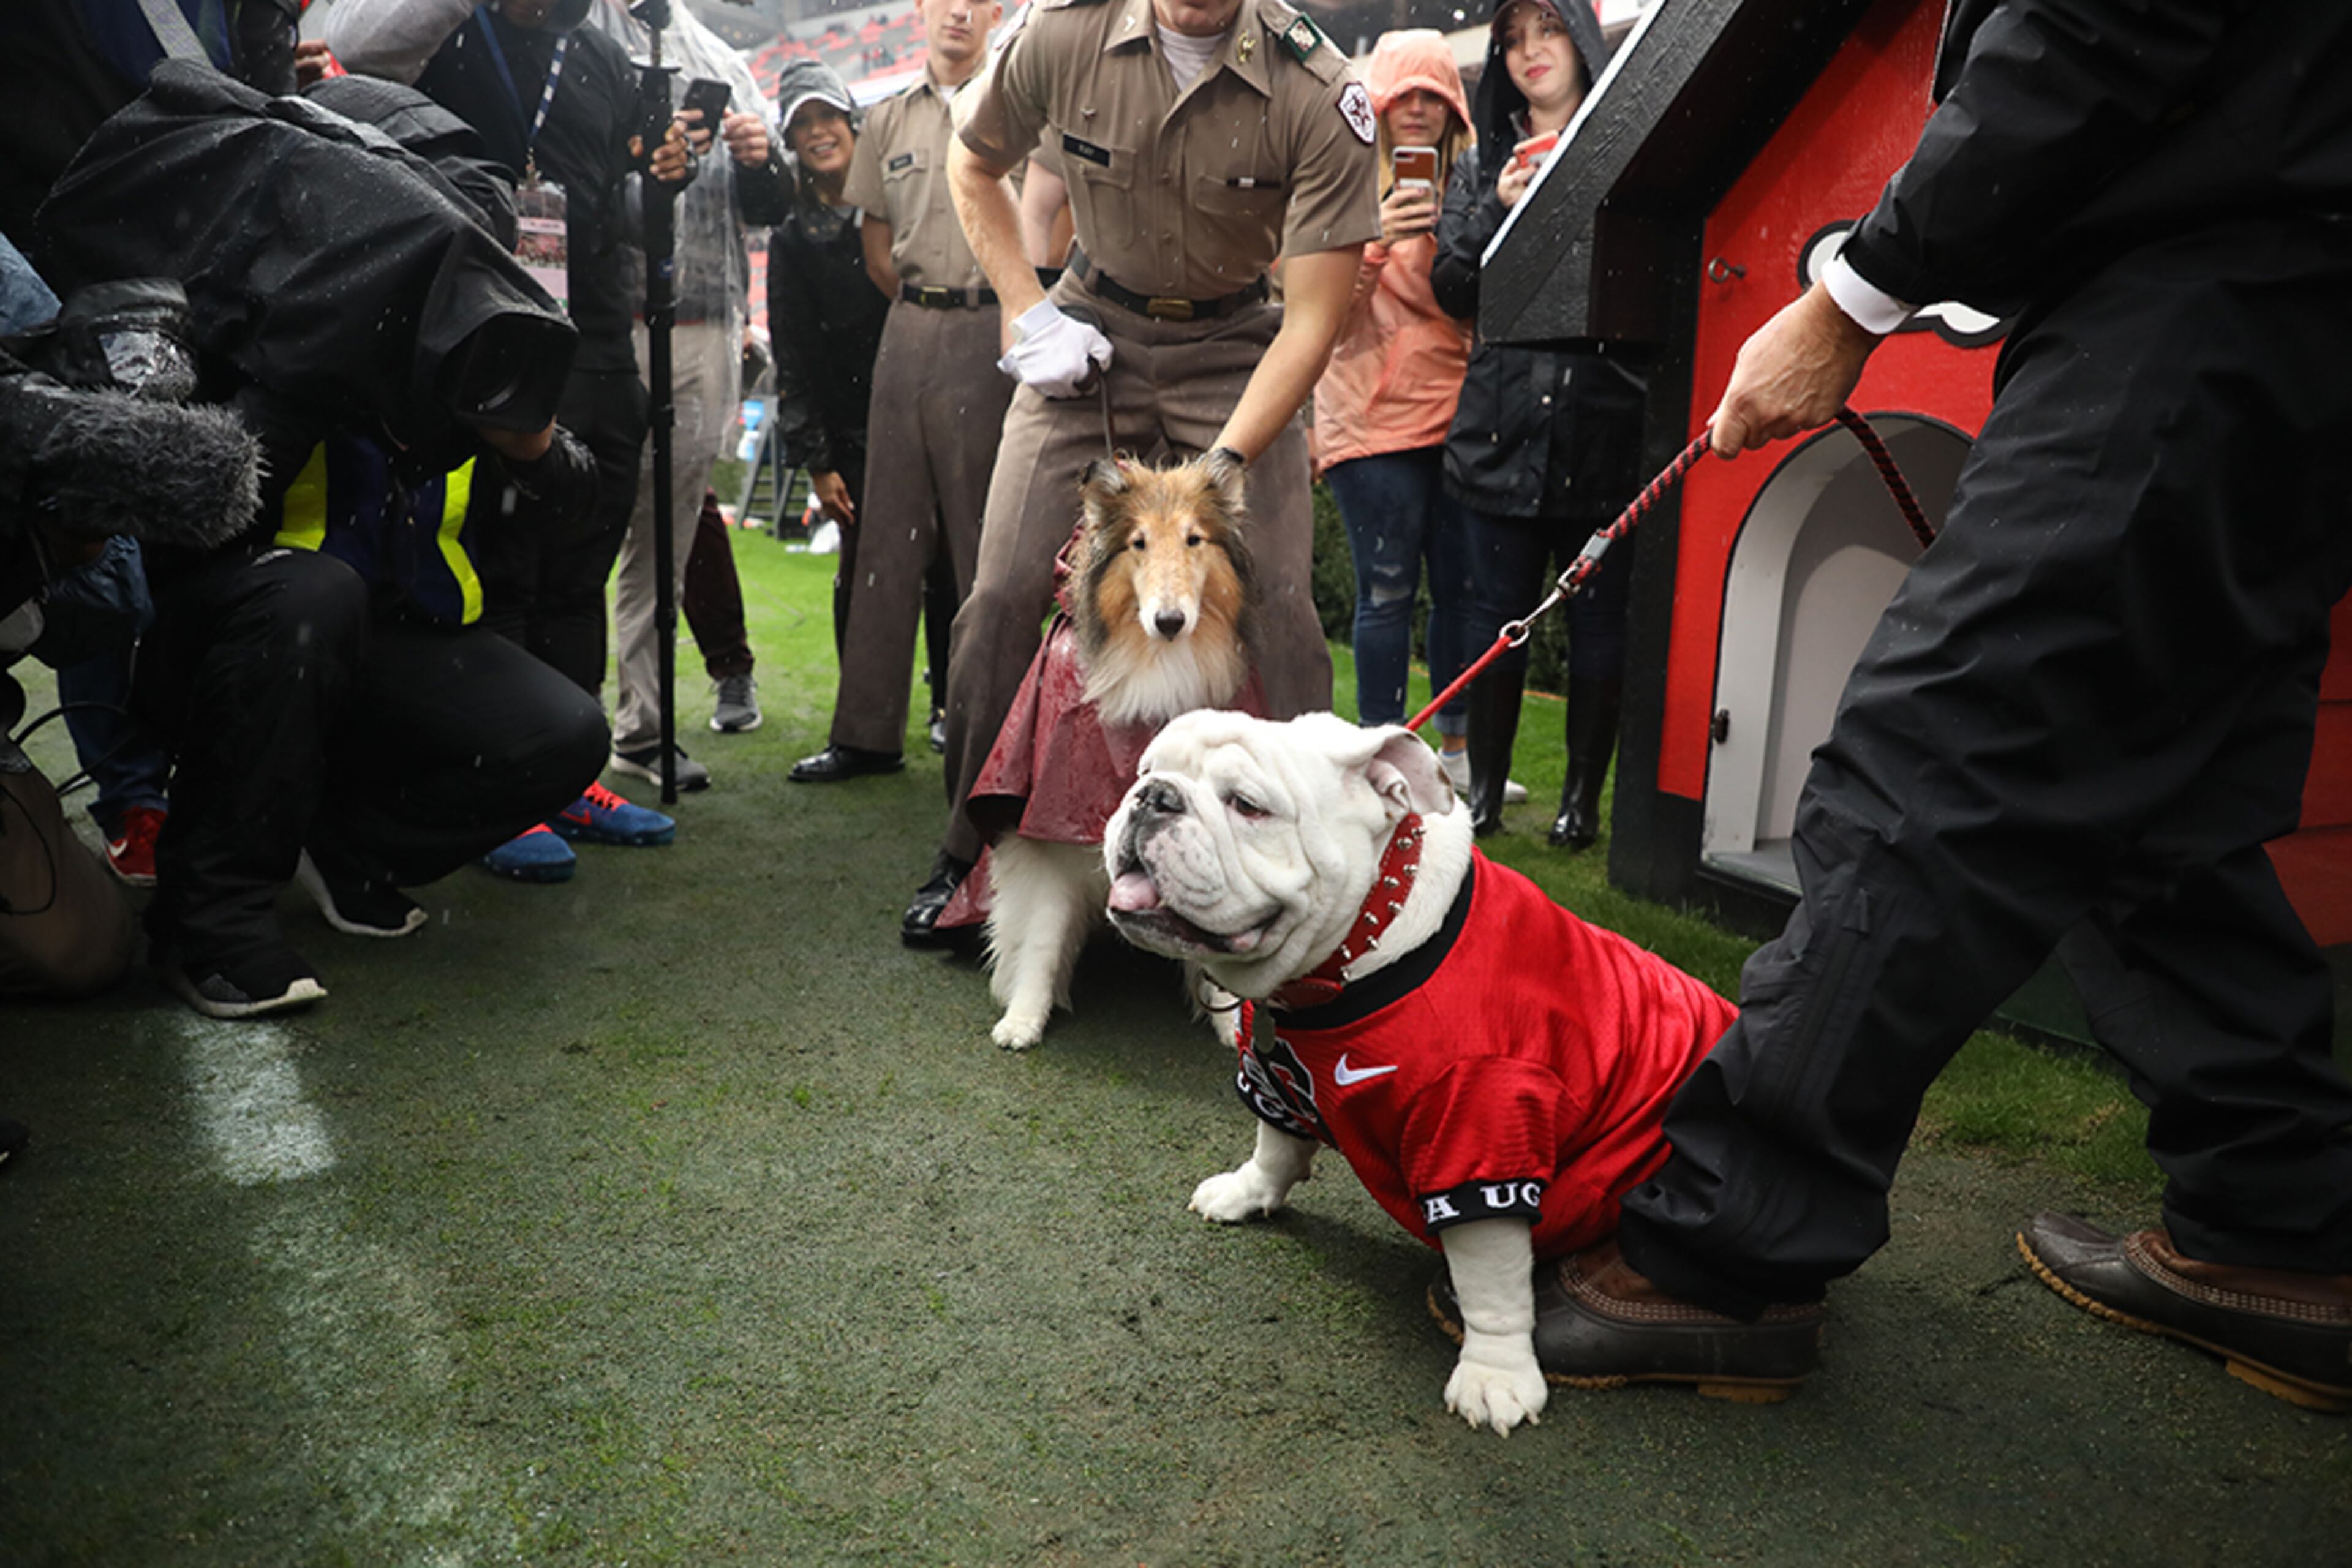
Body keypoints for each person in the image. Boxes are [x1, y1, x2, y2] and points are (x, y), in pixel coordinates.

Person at [1539, 1, 2352, 1411]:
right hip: (2288, 321)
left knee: (1936, 757)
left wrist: (1853, 294)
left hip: (2195, 297)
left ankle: (1725, 1251)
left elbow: (2108, 24)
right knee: (2165, 808)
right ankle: (2278, 1233)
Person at [913, 0, 1381, 943]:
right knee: (1000, 593)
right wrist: (1026, 309)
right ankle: (968, 850)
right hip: (1092, 329)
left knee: (1282, 602)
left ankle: (1330, 869)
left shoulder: (1320, 89)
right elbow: (975, 162)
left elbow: (1315, 316)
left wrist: (1221, 467)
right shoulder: (1059, 35)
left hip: (1242, 345)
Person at [325, 0, 696, 870]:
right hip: (484, 320)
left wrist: (661, 176)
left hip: (597, 330)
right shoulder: (448, 30)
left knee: (578, 566)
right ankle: (503, 779)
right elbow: (348, 43)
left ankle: (569, 777)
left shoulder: (603, 55)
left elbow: (613, 194)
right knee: (500, 563)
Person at [1431, 0, 1642, 848]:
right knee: (1494, 617)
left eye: (1548, 32)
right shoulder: (1482, 165)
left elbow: (1648, 271)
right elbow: (1451, 287)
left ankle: (1582, 803)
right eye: (1514, 39)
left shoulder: (1633, 149)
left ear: (1583, 44)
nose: (1531, 53)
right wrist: (1499, 212)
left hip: (1604, 428)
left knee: (1599, 623)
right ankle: (1481, 793)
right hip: (1501, 430)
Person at [788, 0, 1013, 788]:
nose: (958, 10)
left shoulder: (1019, 99)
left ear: (999, 12)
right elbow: (876, 247)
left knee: (984, 545)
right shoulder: (883, 120)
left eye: (977, 0)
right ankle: (866, 734)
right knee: (884, 543)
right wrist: (928, 306)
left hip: (996, 332)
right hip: (908, 327)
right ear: (921, 7)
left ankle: (988, 733)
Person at [586, 0, 790, 789]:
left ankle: (642, 725)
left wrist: (757, 157)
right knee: (583, 528)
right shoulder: (583, 36)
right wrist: (644, 152)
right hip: (606, 317)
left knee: (665, 535)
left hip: (706, 320)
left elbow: (774, 207)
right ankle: (563, 725)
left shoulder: (723, 58)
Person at [1311, 29, 1477, 786]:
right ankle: (1376, 759)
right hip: (1371, 425)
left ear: (1454, 111)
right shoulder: (1343, 183)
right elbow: (1320, 324)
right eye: (1402, 95)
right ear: (1376, 106)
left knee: (1461, 594)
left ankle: (1456, 755)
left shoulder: (1477, 189)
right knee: (1386, 593)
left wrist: (1466, 239)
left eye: (1433, 97)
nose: (1416, 109)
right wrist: (1376, 239)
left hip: (1460, 418)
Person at [763, 60, 895, 663]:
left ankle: (951, 707)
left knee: (949, 559)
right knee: (864, 565)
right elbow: (792, 356)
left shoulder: (898, 200)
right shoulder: (791, 236)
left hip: (919, 400)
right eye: (804, 124)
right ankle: (862, 723)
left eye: (828, 116)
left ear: (852, 122)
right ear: (789, 142)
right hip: (850, 430)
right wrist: (818, 462)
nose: (819, 132)